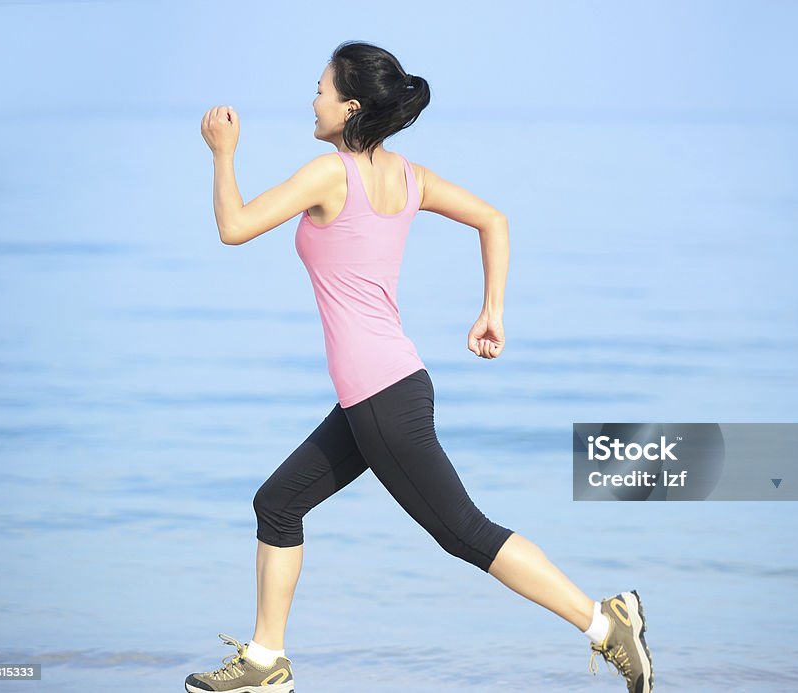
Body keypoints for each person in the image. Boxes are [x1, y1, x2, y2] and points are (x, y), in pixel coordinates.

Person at [192, 40, 653, 693]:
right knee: (278, 502)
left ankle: (604, 623)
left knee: (465, 533)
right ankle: (266, 663)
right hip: (382, 391)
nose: (313, 100)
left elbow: (234, 226)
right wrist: (491, 310)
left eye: (321, 90)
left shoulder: (330, 172)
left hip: (382, 396)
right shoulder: (409, 177)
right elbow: (494, 220)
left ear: (350, 107)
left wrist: (222, 154)